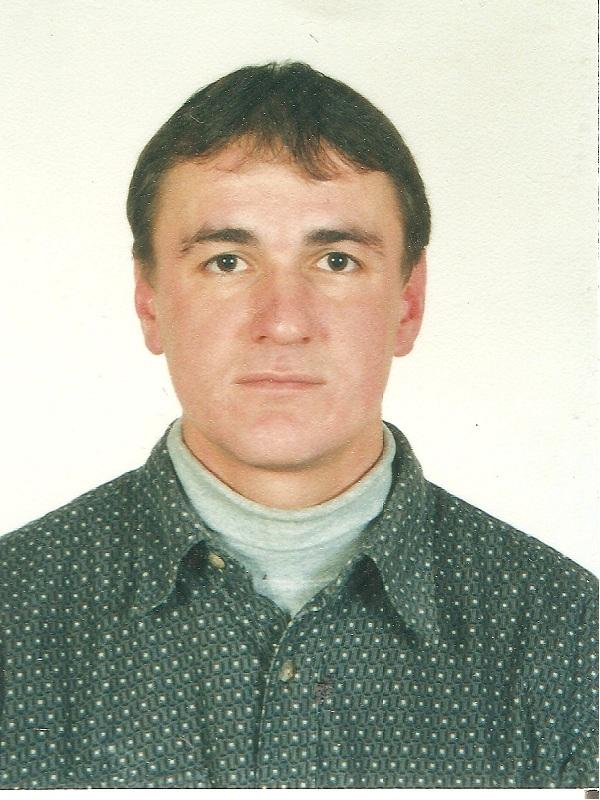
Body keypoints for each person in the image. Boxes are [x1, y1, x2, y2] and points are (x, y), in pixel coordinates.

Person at [0, 62, 597, 790]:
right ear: (149, 301)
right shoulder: (13, 613)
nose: (283, 322)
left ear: (408, 304)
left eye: (336, 260)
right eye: (227, 261)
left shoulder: (572, 636)